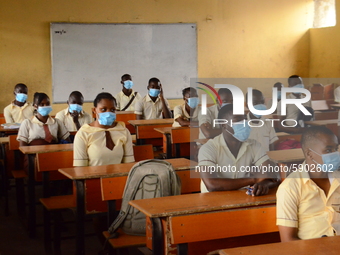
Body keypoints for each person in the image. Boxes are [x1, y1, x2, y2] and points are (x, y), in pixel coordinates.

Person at [198, 104, 280, 195]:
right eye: (238, 120)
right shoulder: (208, 148)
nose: (244, 123)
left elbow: (271, 175)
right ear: (223, 124)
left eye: (245, 118)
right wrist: (254, 180)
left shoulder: (254, 145)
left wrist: (262, 184)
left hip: (243, 197)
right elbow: (212, 184)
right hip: (212, 200)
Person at [276, 126, 340, 242]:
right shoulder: (290, 188)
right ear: (309, 154)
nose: (335, 154)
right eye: (329, 150)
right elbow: (287, 240)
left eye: (336, 148)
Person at [73, 92, 134, 166]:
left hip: (119, 176)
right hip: (94, 176)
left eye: (112, 110)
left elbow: (129, 163)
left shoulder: (123, 131)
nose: (108, 113)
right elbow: (80, 168)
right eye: (103, 109)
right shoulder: (83, 133)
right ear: (94, 110)